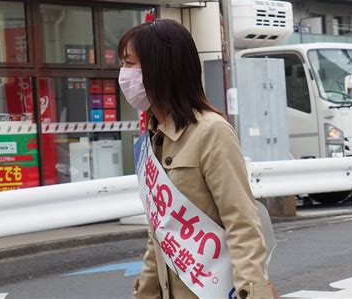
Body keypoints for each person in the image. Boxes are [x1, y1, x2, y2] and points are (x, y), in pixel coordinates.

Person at [118, 19, 275, 299]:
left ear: (161, 67)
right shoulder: (153, 139)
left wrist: (253, 293)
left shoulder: (211, 132)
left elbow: (241, 222)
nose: (124, 74)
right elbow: (160, 236)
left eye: (131, 63)